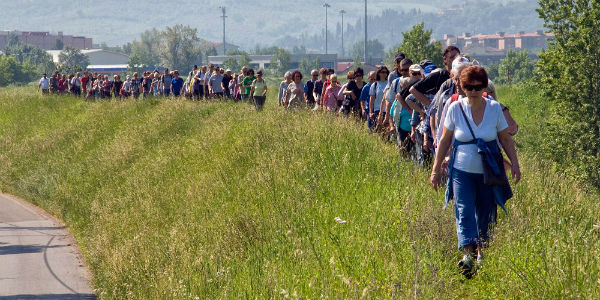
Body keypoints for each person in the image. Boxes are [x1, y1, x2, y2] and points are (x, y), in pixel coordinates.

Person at [430, 65, 521, 278]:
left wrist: (515, 164)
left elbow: (505, 139)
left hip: (489, 171)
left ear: (484, 87)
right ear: (462, 87)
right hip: (461, 171)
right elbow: (444, 140)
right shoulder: (455, 109)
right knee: (463, 209)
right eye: (469, 87)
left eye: (478, 87)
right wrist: (435, 170)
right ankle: (468, 255)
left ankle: (482, 252)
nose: (473, 91)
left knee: (486, 211)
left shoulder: (494, 109)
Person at [369, 66, 390, 132]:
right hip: (377, 110)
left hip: (387, 110)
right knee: (379, 129)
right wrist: (370, 112)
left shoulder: (389, 83)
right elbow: (371, 100)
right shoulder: (375, 85)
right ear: (379, 73)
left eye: (386, 72)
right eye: (382, 72)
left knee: (387, 130)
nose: (384, 74)